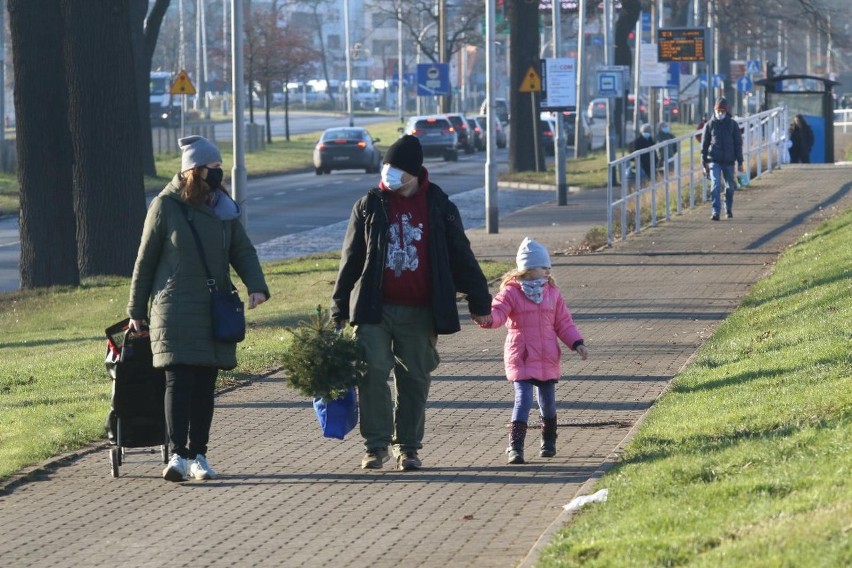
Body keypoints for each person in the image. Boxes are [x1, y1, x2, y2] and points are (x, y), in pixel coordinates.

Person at [331, 134, 493, 471]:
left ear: (415, 173)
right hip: (374, 308)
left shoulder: (438, 204)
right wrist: (339, 307)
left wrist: (479, 299)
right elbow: (351, 258)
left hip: (421, 309)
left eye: (397, 171)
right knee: (372, 370)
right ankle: (375, 446)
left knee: (415, 378)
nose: (389, 176)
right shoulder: (370, 203)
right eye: (387, 168)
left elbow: (460, 254)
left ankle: (407, 447)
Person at [127, 135, 270, 482]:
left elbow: (242, 250)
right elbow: (144, 260)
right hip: (173, 307)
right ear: (195, 170)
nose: (219, 173)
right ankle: (177, 454)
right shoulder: (166, 207)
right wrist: (136, 309)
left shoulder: (223, 207)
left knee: (206, 383)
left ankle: (199, 455)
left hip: (213, 307)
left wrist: (257, 285)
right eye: (214, 167)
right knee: (179, 380)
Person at [478, 237, 588, 464]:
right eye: (542, 266)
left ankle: (548, 441)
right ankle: (515, 447)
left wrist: (576, 343)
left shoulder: (552, 294)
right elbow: (497, 313)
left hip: (547, 355)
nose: (548, 271)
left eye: (549, 267)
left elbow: (563, 323)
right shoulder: (511, 292)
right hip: (522, 355)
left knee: (547, 402)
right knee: (523, 400)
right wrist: (487, 319)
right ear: (527, 269)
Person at [701, 97, 743, 221]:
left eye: (722, 111)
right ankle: (715, 212)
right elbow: (704, 145)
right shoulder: (709, 125)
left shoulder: (732, 124)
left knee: (730, 187)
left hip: (729, 161)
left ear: (726, 111)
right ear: (714, 110)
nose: (720, 113)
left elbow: (738, 144)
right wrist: (704, 163)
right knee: (715, 185)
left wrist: (740, 162)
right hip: (714, 159)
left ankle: (728, 208)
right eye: (718, 110)